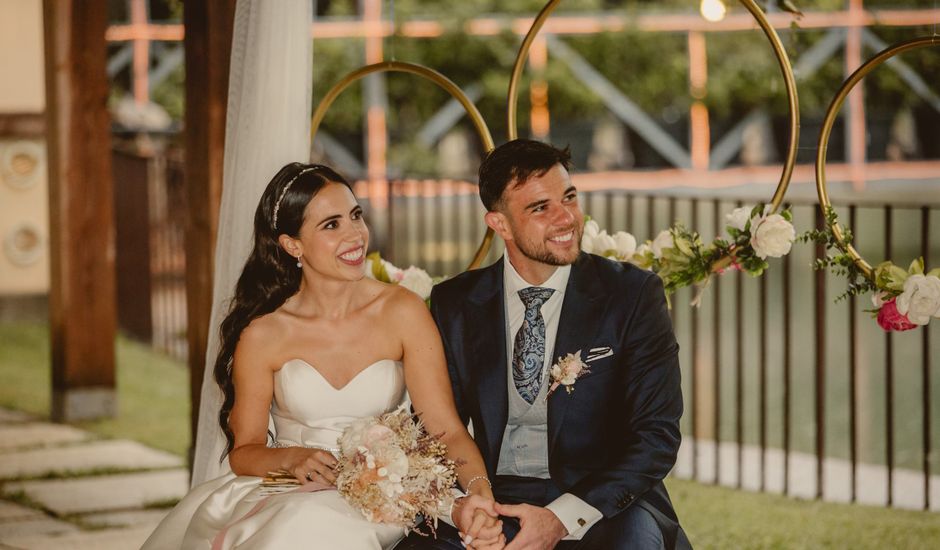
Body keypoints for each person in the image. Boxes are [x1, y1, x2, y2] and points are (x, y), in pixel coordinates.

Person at [143, 163, 505, 550]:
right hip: (288, 491)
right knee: (297, 523)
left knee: (307, 526)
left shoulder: (402, 311)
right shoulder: (264, 333)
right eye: (331, 225)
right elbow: (244, 453)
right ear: (292, 245)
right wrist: (293, 459)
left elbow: (445, 429)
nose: (354, 235)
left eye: (355, 216)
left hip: (380, 499)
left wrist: (480, 495)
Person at [397, 139, 690, 549]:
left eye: (569, 197)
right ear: (499, 224)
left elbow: (656, 436)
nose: (566, 217)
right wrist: (469, 505)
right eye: (540, 208)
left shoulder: (632, 294)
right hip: (492, 497)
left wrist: (562, 517)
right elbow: (436, 429)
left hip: (603, 503)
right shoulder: (457, 303)